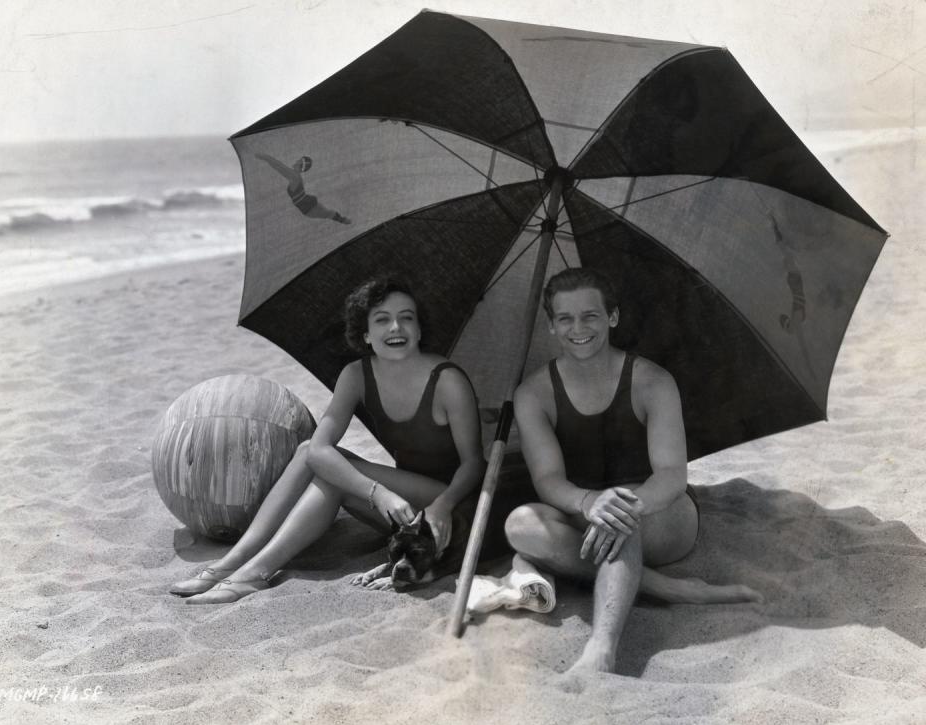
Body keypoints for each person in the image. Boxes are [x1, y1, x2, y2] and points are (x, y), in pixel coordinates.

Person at [504, 267, 762, 674]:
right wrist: (591, 502)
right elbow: (548, 479)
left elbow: (672, 475)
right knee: (520, 525)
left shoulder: (652, 382)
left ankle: (601, 648)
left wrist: (622, 505)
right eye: (565, 319)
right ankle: (667, 587)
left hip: (662, 515)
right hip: (585, 510)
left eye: (590, 315)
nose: (578, 328)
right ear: (551, 326)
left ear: (612, 317)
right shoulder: (533, 393)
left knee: (620, 517)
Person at [171, 277, 484, 604]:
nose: (396, 327)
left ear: (420, 329)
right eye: (382, 319)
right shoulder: (356, 375)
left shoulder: (448, 381)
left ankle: (255, 573)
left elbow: (474, 463)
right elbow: (318, 450)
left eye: (407, 317)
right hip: (403, 511)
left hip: (450, 506)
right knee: (310, 451)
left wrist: (442, 505)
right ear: (365, 334)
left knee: (333, 475)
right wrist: (378, 495)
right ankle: (231, 564)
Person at [255, 152, 352, 224]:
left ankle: (343, 220)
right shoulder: (296, 177)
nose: (296, 161)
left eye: (299, 160)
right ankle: (342, 220)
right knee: (328, 213)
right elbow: (279, 166)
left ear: (300, 165)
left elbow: (279, 166)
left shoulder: (294, 176)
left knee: (328, 213)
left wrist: (265, 157)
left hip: (309, 207)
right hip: (309, 206)